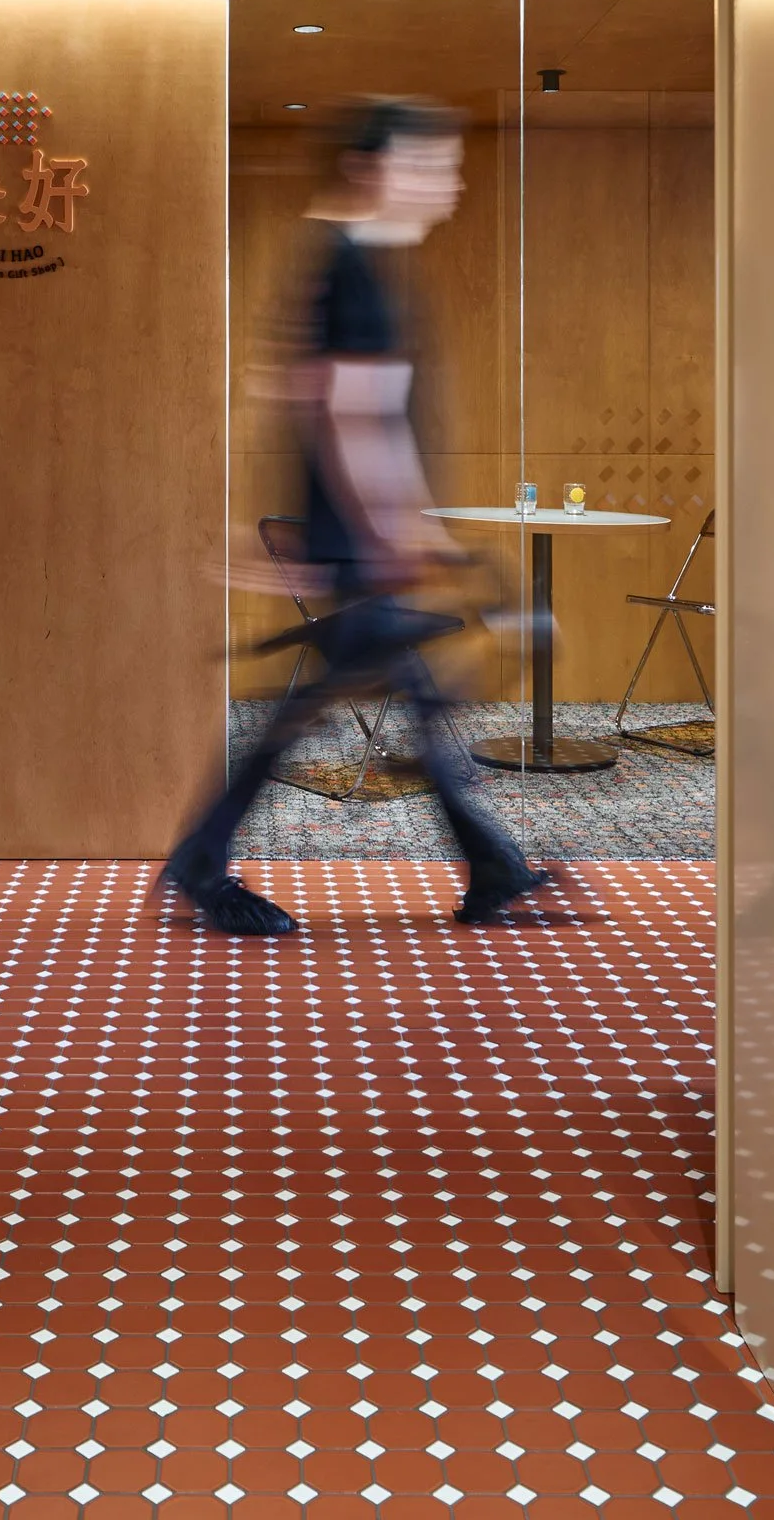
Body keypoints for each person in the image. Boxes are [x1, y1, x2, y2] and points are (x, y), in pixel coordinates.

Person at [166, 97, 548, 936]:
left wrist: (412, 524)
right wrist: (391, 530)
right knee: (323, 706)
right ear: (371, 170)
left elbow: (323, 399)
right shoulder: (352, 267)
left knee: (370, 697)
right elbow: (351, 414)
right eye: (429, 165)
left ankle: (489, 863)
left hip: (353, 536)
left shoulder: (347, 259)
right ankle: (200, 857)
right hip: (357, 543)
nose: (449, 184)